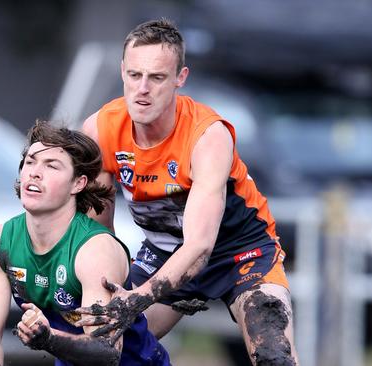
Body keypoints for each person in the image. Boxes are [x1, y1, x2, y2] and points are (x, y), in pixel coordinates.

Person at [77, 19, 299, 365]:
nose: (142, 89)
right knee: (104, 346)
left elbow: (200, 247)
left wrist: (138, 298)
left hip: (239, 253)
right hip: (164, 252)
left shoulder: (208, 135)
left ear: (180, 78)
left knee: (273, 354)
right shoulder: (100, 129)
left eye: (157, 77)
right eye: (134, 76)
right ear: (122, 71)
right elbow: (97, 234)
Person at [0, 121, 170, 366]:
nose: (34, 172)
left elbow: (107, 353)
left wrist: (48, 339)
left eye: (52, 166)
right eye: (30, 162)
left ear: (78, 183)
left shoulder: (94, 250)